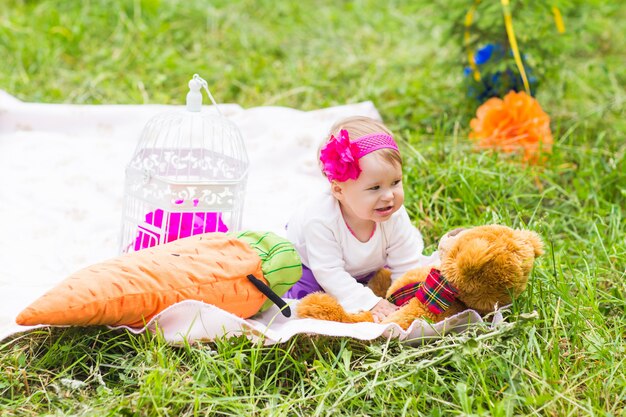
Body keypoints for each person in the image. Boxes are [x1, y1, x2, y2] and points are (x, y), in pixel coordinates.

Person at [285, 116, 439, 322]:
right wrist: (369, 302)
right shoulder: (321, 221)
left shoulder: (394, 214)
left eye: (395, 182)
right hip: (313, 267)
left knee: (388, 278)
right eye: (375, 187)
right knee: (313, 302)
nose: (388, 195)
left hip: (364, 264)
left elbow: (405, 261)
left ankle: (365, 283)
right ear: (339, 191)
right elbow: (329, 272)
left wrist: (405, 298)